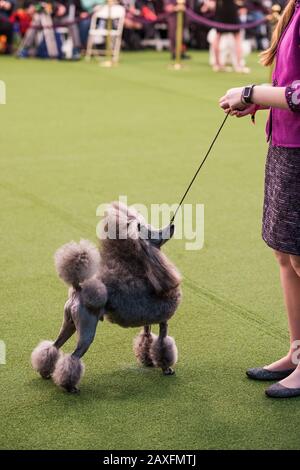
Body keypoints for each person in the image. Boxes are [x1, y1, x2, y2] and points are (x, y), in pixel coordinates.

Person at [219, 0, 300, 398]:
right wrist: (259, 100)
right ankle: (298, 352)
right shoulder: (293, 9)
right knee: (285, 253)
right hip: (285, 143)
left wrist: (253, 91)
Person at [212, 0, 243, 72]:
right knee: (237, 37)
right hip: (231, 9)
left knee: (217, 36)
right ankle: (238, 65)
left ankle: (217, 64)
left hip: (220, 9)